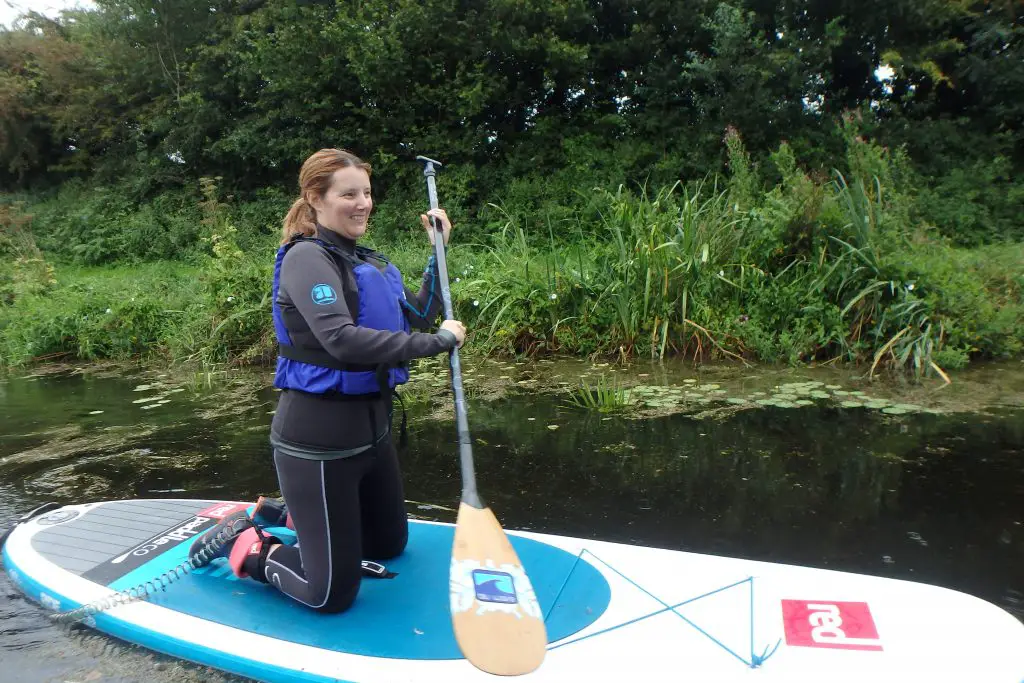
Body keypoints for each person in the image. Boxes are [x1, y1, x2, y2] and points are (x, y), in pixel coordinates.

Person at [191, 148, 466, 613]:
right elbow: (341, 341)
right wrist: (437, 343)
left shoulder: (369, 261)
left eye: (367, 193)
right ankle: (251, 548)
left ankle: (283, 513)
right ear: (315, 199)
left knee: (388, 546)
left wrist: (437, 253)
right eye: (348, 194)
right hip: (318, 441)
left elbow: (419, 314)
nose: (362, 203)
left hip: (372, 432)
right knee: (329, 594)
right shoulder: (306, 259)